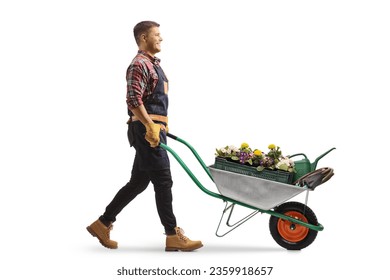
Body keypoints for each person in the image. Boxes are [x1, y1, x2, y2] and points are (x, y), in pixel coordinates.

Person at [86, 21, 203, 252]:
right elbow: (133, 100)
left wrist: (160, 125)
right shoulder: (139, 64)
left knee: (138, 182)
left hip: (153, 130)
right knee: (163, 180)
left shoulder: (153, 64)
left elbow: (153, 103)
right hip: (147, 132)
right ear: (143, 37)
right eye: (156, 35)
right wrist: (151, 126)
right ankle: (172, 234)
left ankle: (103, 223)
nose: (161, 38)